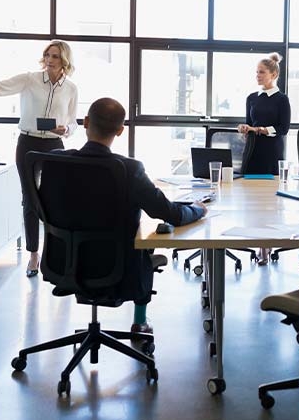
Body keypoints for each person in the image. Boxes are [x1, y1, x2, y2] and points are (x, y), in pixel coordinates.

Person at [57, 97, 207, 334]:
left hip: (64, 261)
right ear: (120, 130)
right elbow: (170, 214)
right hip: (117, 267)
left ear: (85, 122)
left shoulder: (58, 162)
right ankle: (140, 322)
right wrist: (198, 209)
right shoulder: (129, 169)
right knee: (146, 247)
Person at [0, 40, 79, 277]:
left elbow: (73, 121)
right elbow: (0, 87)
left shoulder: (71, 88)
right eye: (48, 55)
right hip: (28, 144)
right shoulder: (30, 79)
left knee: (56, 199)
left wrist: (67, 130)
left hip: (54, 146)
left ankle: (58, 253)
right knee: (30, 199)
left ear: (64, 60)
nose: (50, 60)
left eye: (55, 56)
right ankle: (33, 255)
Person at [237, 52, 291, 265]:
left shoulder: (282, 99)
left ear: (273, 74)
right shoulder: (251, 98)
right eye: (256, 72)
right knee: (252, 201)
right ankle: (258, 242)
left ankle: (266, 247)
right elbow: (248, 123)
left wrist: (259, 129)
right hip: (252, 152)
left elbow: (283, 129)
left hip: (271, 153)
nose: (257, 75)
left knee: (269, 202)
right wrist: (245, 128)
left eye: (261, 72)